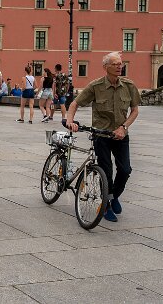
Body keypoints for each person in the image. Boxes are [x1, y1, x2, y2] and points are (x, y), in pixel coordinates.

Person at [66, 51, 140, 223]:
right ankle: (105, 205)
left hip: (121, 135)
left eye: (120, 63)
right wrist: (70, 121)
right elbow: (74, 103)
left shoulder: (129, 86)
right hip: (101, 135)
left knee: (125, 170)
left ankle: (113, 197)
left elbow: (135, 110)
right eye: (115, 64)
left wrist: (123, 127)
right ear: (106, 67)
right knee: (106, 171)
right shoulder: (96, 86)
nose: (119, 66)